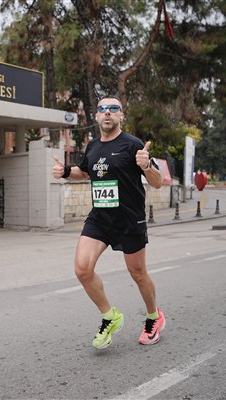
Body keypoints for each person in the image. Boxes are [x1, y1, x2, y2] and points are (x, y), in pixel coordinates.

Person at [52, 96, 165, 349]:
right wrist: (67, 171)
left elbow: (158, 182)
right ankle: (110, 316)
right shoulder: (93, 146)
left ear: (121, 115)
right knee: (82, 269)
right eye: (102, 108)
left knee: (138, 273)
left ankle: (153, 317)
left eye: (114, 109)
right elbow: (86, 171)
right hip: (100, 219)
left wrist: (147, 166)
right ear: (96, 116)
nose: (107, 112)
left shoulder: (133, 144)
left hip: (129, 218)